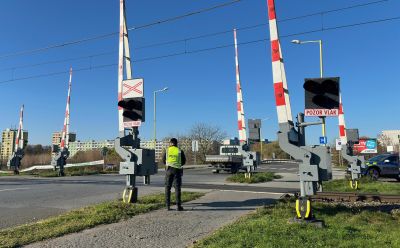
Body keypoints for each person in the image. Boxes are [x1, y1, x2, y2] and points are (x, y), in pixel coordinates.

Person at [163, 138, 186, 211]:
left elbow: (163, 160)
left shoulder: (167, 150)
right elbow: (184, 161)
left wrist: (168, 164)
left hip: (168, 170)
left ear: (170, 143)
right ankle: (178, 206)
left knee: (167, 187)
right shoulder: (179, 151)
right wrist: (178, 164)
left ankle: (167, 206)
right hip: (177, 170)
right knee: (177, 188)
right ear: (176, 143)